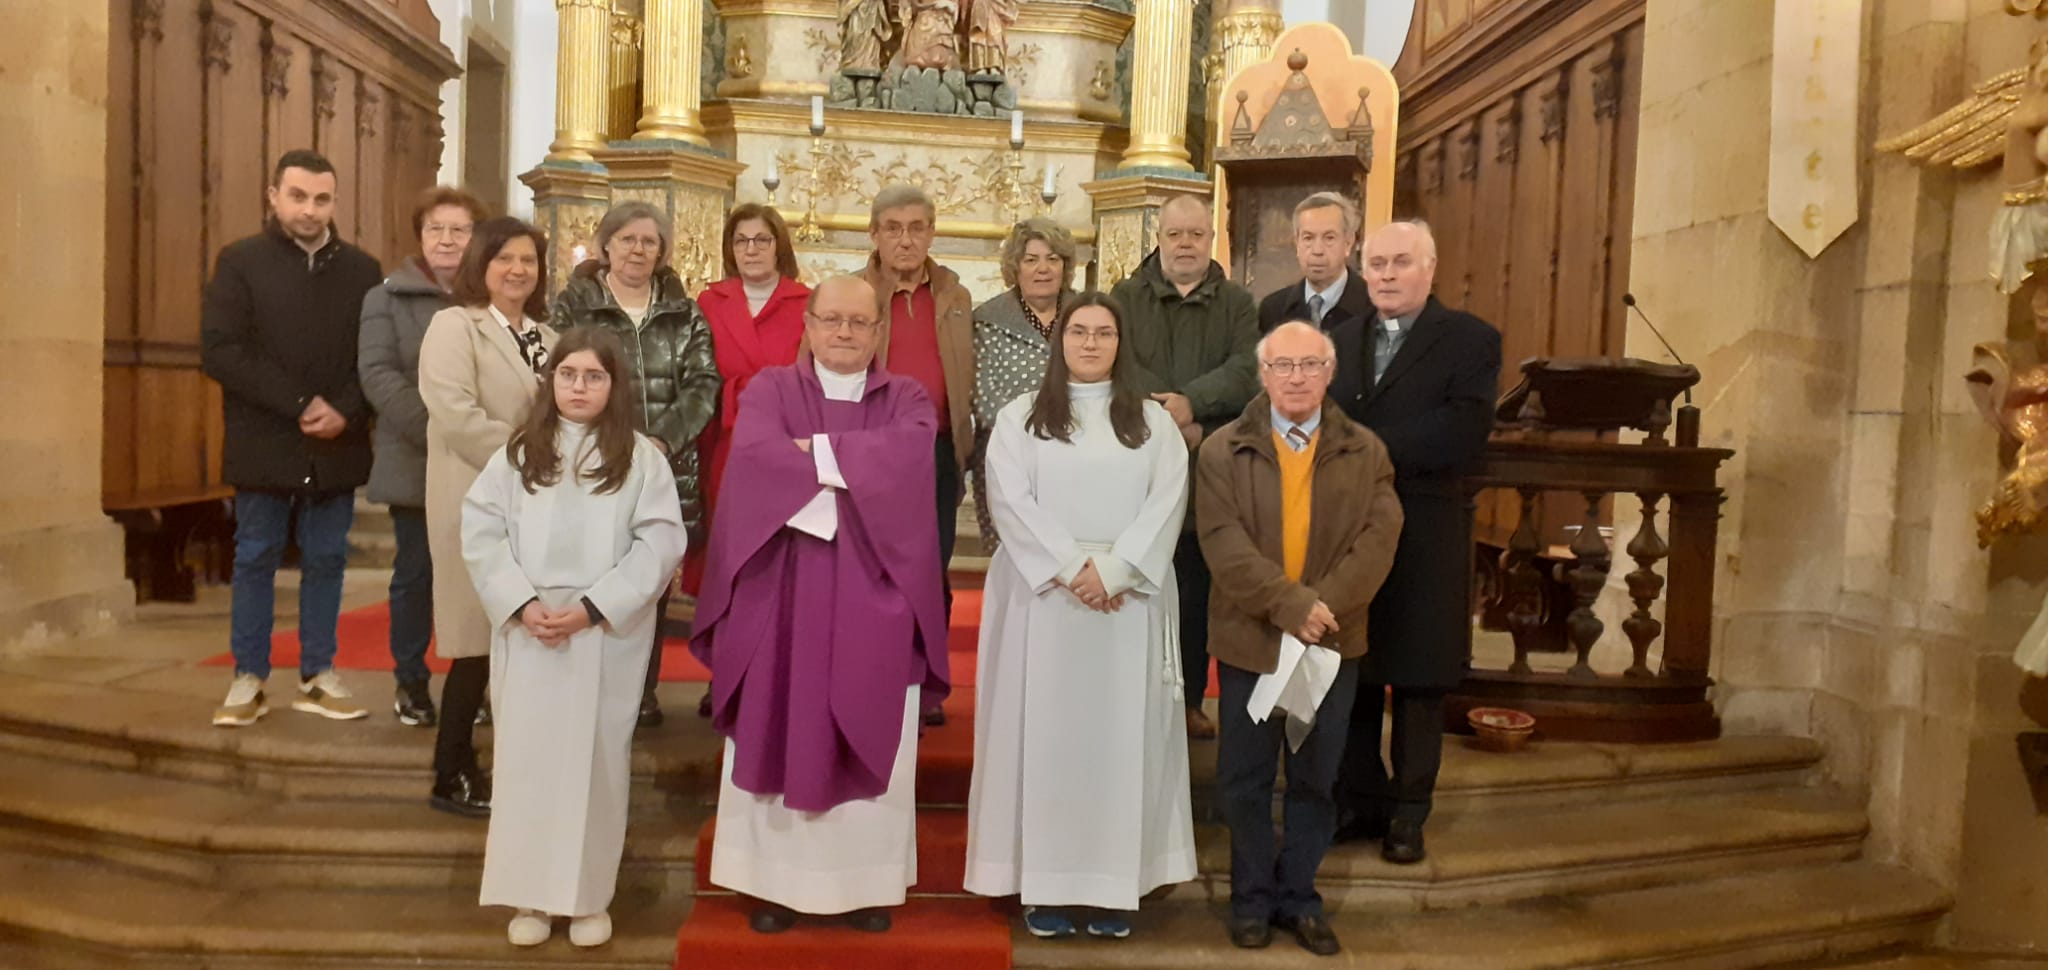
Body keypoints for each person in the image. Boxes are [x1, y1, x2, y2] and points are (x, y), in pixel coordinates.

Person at [692, 275, 951, 934]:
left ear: (877, 331)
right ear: (807, 325)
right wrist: (853, 480)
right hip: (784, 593)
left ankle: (866, 885)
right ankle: (772, 884)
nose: (843, 333)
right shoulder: (773, 390)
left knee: (870, 725)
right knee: (781, 721)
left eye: (859, 323)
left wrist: (816, 455)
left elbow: (910, 460)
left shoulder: (908, 397)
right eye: (831, 319)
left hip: (876, 593)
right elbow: (754, 461)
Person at [963, 291, 1195, 940]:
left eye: (1104, 333)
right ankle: (1047, 883)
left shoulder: (1152, 424)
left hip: (1129, 598)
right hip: (1045, 599)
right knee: (1047, 741)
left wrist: (1116, 571)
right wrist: (1071, 569)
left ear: (1122, 344)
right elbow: (1008, 500)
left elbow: (1167, 502)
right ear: (1059, 339)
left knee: (1121, 740)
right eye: (1078, 332)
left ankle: (1114, 887)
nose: (1090, 343)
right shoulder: (1020, 417)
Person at [463, 326, 687, 948]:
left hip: (601, 637)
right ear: (550, 381)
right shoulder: (516, 454)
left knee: (596, 769)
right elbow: (482, 532)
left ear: (614, 385)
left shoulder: (641, 458)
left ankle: (589, 898)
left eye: (594, 376)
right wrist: (519, 601)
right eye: (568, 375)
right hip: (530, 632)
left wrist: (596, 605)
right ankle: (532, 898)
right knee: (527, 766)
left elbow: (662, 541)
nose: (579, 387)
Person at [1196, 321, 1402, 957]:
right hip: (1250, 638)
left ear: (1330, 372)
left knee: (1316, 780)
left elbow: (1378, 540)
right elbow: (1222, 543)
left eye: (1309, 364)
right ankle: (1252, 899)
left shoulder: (1366, 450)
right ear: (1261, 374)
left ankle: (1299, 898)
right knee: (1245, 780)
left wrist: (1321, 610)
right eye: (1282, 364)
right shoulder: (1221, 450)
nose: (1295, 376)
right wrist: (1290, 605)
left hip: (1330, 643)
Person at [1332, 220, 1502, 865]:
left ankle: (1409, 813)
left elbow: (1463, 426)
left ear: (1429, 269)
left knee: (1418, 679)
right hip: (1348, 528)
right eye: (1376, 263)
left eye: (1400, 262)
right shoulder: (1339, 339)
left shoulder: (1468, 339)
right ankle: (1361, 800)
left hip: (1427, 526)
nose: (1386, 274)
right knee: (1354, 667)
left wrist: (1368, 453)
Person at [201, 149, 384, 728]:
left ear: (335, 201)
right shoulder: (240, 262)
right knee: (255, 557)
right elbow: (222, 350)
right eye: (298, 196)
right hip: (265, 437)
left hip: (338, 440)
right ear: (273, 195)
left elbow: (374, 358)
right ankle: (247, 678)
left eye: (322, 198)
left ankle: (318, 674)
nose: (310, 209)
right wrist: (300, 403)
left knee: (327, 559)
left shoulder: (362, 270)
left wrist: (346, 411)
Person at [551, 201, 721, 729]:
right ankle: (582, 686)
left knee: (648, 580)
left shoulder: (684, 311)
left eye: (649, 242)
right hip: (592, 462)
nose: (638, 250)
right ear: (606, 246)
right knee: (591, 569)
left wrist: (660, 443)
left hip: (665, 467)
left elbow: (703, 383)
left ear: (662, 251)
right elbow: (559, 374)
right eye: (627, 239)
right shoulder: (576, 306)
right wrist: (610, 441)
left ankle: (641, 691)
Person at [418, 217, 560, 818]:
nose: (518, 270)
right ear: (482, 264)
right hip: (473, 497)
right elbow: (454, 411)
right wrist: (530, 456)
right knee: (474, 638)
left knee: (518, 637)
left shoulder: (549, 337)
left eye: (528, 260)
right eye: (505, 259)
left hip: (536, 506)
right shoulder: (456, 326)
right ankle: (450, 771)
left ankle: (518, 770)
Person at [1108, 193, 1260, 741]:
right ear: (1159, 237)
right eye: (1176, 234)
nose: (1186, 244)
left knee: (1195, 590)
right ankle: (1131, 695)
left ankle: (1191, 698)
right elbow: (1117, 361)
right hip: (1138, 460)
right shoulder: (1124, 297)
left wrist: (1192, 403)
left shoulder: (1238, 303)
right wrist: (1162, 413)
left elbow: (1247, 370)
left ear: (1211, 237)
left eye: (1196, 234)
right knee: (1138, 581)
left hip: (1207, 466)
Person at [358, 185, 488, 728]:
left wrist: (475, 433)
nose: (448, 239)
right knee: (415, 572)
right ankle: (410, 679)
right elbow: (378, 375)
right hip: (416, 456)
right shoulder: (385, 297)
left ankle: (473, 683)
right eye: (437, 228)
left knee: (479, 575)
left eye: (459, 230)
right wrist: (440, 428)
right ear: (420, 236)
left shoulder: (489, 294)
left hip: (482, 460)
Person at [859, 183, 974, 727]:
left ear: (932, 232)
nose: (905, 240)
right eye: (893, 229)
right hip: (870, 453)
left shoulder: (956, 296)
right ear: (875, 235)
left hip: (937, 453)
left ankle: (926, 680)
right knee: (869, 569)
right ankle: (873, 674)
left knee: (931, 572)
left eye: (916, 228)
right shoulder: (852, 294)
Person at [693, 204, 810, 718]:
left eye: (762, 240)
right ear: (730, 249)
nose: (752, 250)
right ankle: (724, 672)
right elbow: (699, 372)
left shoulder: (807, 301)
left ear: (779, 246)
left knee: (780, 563)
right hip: (727, 445)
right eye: (742, 241)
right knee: (730, 563)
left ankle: (774, 674)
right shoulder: (710, 301)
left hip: (790, 447)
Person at [969, 217, 1076, 546]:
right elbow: (984, 400)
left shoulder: (1087, 313)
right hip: (1008, 457)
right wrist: (1038, 428)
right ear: (1015, 267)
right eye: (1031, 260)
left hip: (1076, 456)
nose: (1043, 269)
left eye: (1053, 258)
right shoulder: (987, 320)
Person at [1257, 192, 1373, 416]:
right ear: (1296, 244)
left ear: (1348, 243)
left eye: (1329, 238)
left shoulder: (1373, 306)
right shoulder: (1273, 308)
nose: (1317, 250)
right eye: (1308, 238)